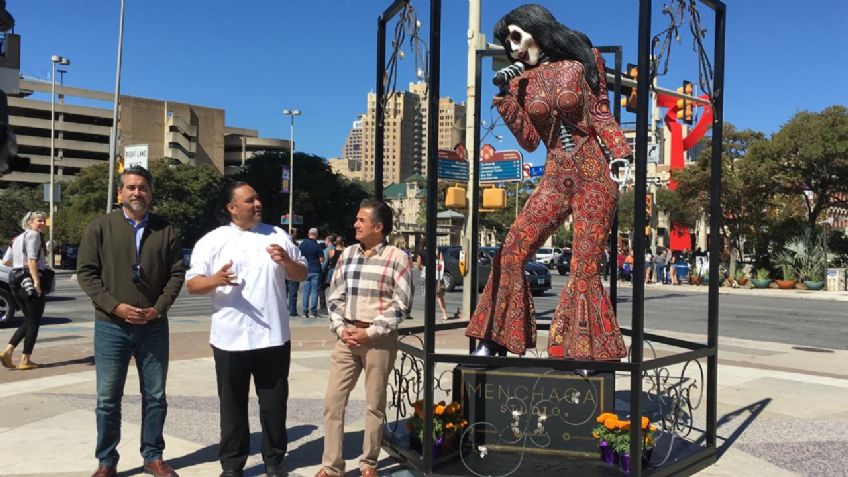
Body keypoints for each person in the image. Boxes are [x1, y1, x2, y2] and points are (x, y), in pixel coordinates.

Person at [465, 4, 631, 359]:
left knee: (583, 265)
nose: (513, 48)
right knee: (511, 250)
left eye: (516, 37)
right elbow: (527, 140)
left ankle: (584, 350)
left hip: (594, 176)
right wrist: (506, 98)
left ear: (536, 29)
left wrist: (620, 153)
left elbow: (601, 113)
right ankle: (495, 340)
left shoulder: (580, 64)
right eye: (507, 43)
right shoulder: (520, 82)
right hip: (555, 177)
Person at [186, 181, 307, 477]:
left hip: (273, 337)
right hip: (230, 339)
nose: (257, 204)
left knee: (274, 404)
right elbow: (192, 284)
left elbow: (301, 273)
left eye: (258, 199)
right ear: (232, 208)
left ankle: (275, 461)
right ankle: (232, 464)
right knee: (232, 406)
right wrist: (216, 279)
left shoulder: (277, 235)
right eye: (249, 200)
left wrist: (287, 260)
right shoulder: (213, 240)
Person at [76, 166, 185, 477]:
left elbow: (177, 273)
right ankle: (106, 461)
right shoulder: (99, 227)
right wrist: (115, 307)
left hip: (153, 326)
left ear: (150, 193)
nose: (137, 193)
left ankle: (153, 455)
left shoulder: (165, 230)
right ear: (119, 193)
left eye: (143, 188)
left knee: (155, 396)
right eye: (131, 188)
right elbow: (86, 273)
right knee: (108, 398)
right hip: (111, 326)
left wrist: (158, 308)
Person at [315, 199, 413, 477]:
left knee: (374, 404)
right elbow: (334, 296)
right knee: (333, 402)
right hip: (346, 338)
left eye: (361, 220)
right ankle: (331, 466)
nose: (355, 224)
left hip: (378, 340)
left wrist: (369, 332)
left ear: (378, 226)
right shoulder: (347, 255)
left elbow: (401, 304)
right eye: (356, 219)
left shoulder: (397, 257)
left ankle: (368, 462)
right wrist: (340, 328)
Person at [0, 211, 49, 370]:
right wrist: (36, 281)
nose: (42, 223)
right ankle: (25, 360)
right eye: (38, 221)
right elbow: (32, 259)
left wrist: (20, 261)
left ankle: (8, 350)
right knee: (34, 321)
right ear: (30, 223)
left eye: (43, 221)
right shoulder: (34, 236)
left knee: (29, 319)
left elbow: (7, 261)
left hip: (15, 278)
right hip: (28, 279)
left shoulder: (17, 238)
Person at [415, 237, 449, 321]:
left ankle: (429, 315)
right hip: (437, 274)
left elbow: (418, 265)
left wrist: (421, 268)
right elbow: (441, 262)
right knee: (439, 295)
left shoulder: (421, 252)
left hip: (426, 274)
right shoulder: (436, 251)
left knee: (428, 296)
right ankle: (444, 314)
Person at [299, 227, 324, 318]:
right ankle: (313, 312)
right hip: (316, 270)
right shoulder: (317, 246)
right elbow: (321, 259)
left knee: (305, 291)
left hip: (306, 270)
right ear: (316, 235)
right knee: (314, 291)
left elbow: (299, 256)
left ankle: (304, 312)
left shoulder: (302, 245)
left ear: (308, 234)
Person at [319, 235, 335, 311]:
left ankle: (323, 307)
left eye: (325, 240)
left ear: (328, 241)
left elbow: (325, 263)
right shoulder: (335, 248)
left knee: (321, 288)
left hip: (327, 272)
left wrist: (321, 270)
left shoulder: (327, 250)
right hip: (335, 271)